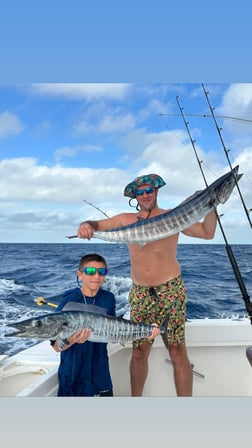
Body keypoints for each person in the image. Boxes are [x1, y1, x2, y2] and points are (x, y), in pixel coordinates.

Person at [77, 174, 217, 396]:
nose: (145, 195)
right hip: (141, 293)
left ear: (156, 192)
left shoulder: (173, 217)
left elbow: (207, 233)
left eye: (149, 190)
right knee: (140, 351)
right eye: (140, 192)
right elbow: (96, 225)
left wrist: (211, 203)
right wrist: (86, 225)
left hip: (171, 290)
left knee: (177, 352)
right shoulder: (126, 219)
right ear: (135, 196)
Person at [51, 253, 116, 397]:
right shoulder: (69, 300)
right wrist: (72, 339)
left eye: (102, 272)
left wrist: (147, 331)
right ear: (79, 274)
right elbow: (56, 346)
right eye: (90, 271)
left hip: (101, 375)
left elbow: (113, 332)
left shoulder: (109, 298)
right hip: (73, 377)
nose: (96, 276)